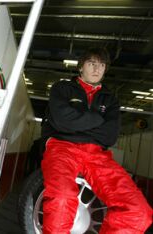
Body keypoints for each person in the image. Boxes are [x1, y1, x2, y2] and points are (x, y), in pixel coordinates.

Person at [40, 47, 152, 233]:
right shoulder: (63, 88)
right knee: (63, 197)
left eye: (101, 65)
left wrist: (78, 122)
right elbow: (62, 121)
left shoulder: (110, 100)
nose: (97, 69)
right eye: (92, 63)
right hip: (62, 148)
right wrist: (97, 120)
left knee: (138, 211)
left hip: (97, 155)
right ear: (80, 67)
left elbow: (109, 135)